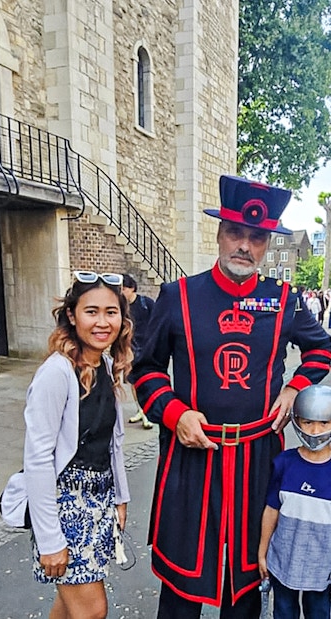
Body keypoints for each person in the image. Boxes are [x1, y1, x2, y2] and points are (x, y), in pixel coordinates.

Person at [131, 175, 331, 618]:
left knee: (244, 587)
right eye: (235, 233)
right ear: (220, 234)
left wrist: (296, 387)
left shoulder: (285, 301)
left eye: (256, 238)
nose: (245, 245)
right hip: (192, 458)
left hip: (257, 459)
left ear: (266, 243)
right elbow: (144, 370)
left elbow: (322, 349)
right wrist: (175, 413)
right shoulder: (177, 296)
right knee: (182, 585)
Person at [23, 270, 132, 619]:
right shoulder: (57, 372)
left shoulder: (106, 364)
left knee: (70, 606)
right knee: (92, 610)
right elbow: (37, 458)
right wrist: (50, 540)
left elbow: (112, 442)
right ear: (72, 315)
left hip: (99, 501)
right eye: (91, 311)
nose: (102, 322)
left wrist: (120, 498)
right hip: (65, 505)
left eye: (111, 312)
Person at [258, 384, 331, 619]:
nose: (315, 430)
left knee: (318, 613)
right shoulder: (284, 463)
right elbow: (271, 510)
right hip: (284, 561)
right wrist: (263, 551)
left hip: (323, 567)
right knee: (284, 612)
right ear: (296, 421)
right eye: (307, 422)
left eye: (324, 423)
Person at [122, 273, 155, 429]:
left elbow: (157, 322)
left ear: (132, 288)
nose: (121, 292)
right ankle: (140, 409)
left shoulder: (146, 303)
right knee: (133, 382)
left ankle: (148, 412)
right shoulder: (122, 307)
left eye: (124, 288)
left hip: (147, 348)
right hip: (130, 349)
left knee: (147, 379)